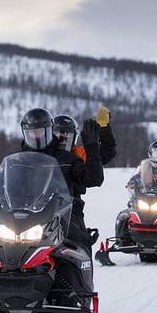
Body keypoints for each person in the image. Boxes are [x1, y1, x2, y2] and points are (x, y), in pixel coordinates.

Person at [20, 107, 104, 252]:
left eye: (40, 131)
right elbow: (6, 186)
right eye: (32, 132)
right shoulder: (20, 161)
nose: (36, 136)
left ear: (49, 131)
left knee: (79, 241)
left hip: (64, 214)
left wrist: (92, 147)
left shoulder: (67, 159)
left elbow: (94, 179)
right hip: (27, 214)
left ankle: (78, 271)